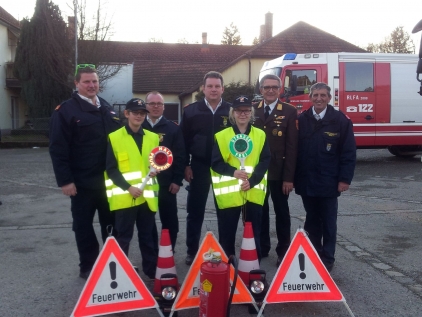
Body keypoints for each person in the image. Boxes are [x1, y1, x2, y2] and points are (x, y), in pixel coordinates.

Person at [49, 64, 121, 279]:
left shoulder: (107, 107)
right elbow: (58, 147)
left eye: (95, 81)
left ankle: (111, 264)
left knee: (111, 225)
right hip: (81, 183)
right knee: (83, 226)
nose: (91, 85)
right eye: (87, 82)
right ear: (77, 84)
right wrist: (65, 181)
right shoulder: (66, 110)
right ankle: (88, 266)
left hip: (109, 182)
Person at [294, 82, 356, 272]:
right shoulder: (302, 120)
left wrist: (344, 179)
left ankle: (328, 258)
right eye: (315, 95)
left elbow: (348, 152)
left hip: (329, 181)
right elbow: (295, 151)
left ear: (329, 98)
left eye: (323, 95)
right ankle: (314, 253)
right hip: (307, 181)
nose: (319, 98)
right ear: (310, 97)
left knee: (329, 221)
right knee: (312, 220)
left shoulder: (340, 120)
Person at [180, 71, 232, 265]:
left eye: (217, 86)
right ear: (203, 88)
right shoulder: (191, 111)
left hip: (224, 168)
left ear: (222, 89)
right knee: (195, 211)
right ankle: (192, 251)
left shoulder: (231, 110)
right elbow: (183, 141)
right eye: (209, 86)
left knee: (225, 211)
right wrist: (186, 164)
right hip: (199, 166)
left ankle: (226, 251)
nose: (213, 89)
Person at [105, 98, 159, 279]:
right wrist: (128, 188)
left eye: (142, 113)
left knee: (147, 238)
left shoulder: (153, 137)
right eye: (135, 112)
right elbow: (111, 169)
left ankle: (151, 271)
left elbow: (155, 163)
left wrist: (156, 171)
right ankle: (119, 274)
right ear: (126, 114)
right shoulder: (114, 137)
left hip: (146, 197)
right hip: (125, 196)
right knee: (123, 238)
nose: (139, 116)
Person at [211, 96, 270, 260]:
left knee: (253, 232)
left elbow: (265, 160)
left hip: (253, 191)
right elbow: (215, 163)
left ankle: (252, 267)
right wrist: (233, 172)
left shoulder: (260, 135)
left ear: (251, 113)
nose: (242, 114)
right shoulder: (221, 136)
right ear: (233, 113)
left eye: (246, 110)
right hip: (229, 195)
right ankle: (227, 265)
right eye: (238, 110)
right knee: (227, 233)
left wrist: (252, 181)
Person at [253, 74, 298, 266]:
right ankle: (262, 248)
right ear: (261, 90)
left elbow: (292, 147)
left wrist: (289, 178)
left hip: (280, 172)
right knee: (259, 211)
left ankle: (283, 250)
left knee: (282, 212)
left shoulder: (289, 111)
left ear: (280, 89)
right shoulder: (253, 110)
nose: (270, 90)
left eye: (274, 87)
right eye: (266, 87)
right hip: (258, 172)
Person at [142, 91, 185, 251]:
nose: (155, 107)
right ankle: (152, 251)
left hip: (166, 184)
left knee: (169, 220)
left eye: (159, 104)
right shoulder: (138, 125)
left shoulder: (172, 129)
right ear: (146, 106)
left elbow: (180, 155)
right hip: (145, 183)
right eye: (152, 103)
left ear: (164, 107)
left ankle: (168, 250)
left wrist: (177, 180)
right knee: (147, 220)